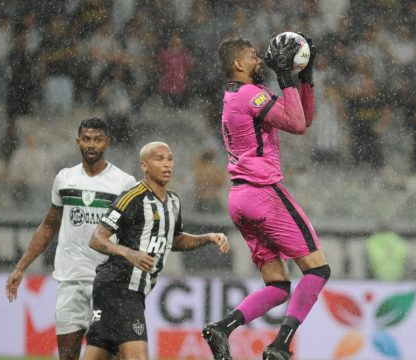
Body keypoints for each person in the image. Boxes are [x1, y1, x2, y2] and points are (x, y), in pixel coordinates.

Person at [202, 35, 330, 360]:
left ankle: (222, 327)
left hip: (240, 199)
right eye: (253, 56)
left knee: (277, 286)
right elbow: (299, 125)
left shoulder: (238, 96)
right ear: (238, 64)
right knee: (317, 271)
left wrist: (305, 78)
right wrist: (285, 76)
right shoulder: (249, 95)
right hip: (263, 194)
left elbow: (301, 118)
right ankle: (280, 346)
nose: (260, 60)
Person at [82, 141, 230, 360]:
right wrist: (127, 252)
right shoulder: (132, 198)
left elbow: (175, 240)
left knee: (98, 355)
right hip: (119, 287)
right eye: (159, 159)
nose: (167, 164)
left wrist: (207, 237)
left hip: (132, 291)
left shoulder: (173, 201)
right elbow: (96, 238)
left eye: (169, 158)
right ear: (144, 165)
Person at [5, 118, 137, 360]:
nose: (91, 145)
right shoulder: (65, 179)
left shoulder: (124, 183)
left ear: (106, 142)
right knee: (67, 356)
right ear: (78, 141)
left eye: (97, 139)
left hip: (106, 284)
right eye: (86, 139)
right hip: (70, 280)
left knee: (111, 356)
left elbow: (133, 234)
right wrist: (20, 267)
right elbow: (48, 226)